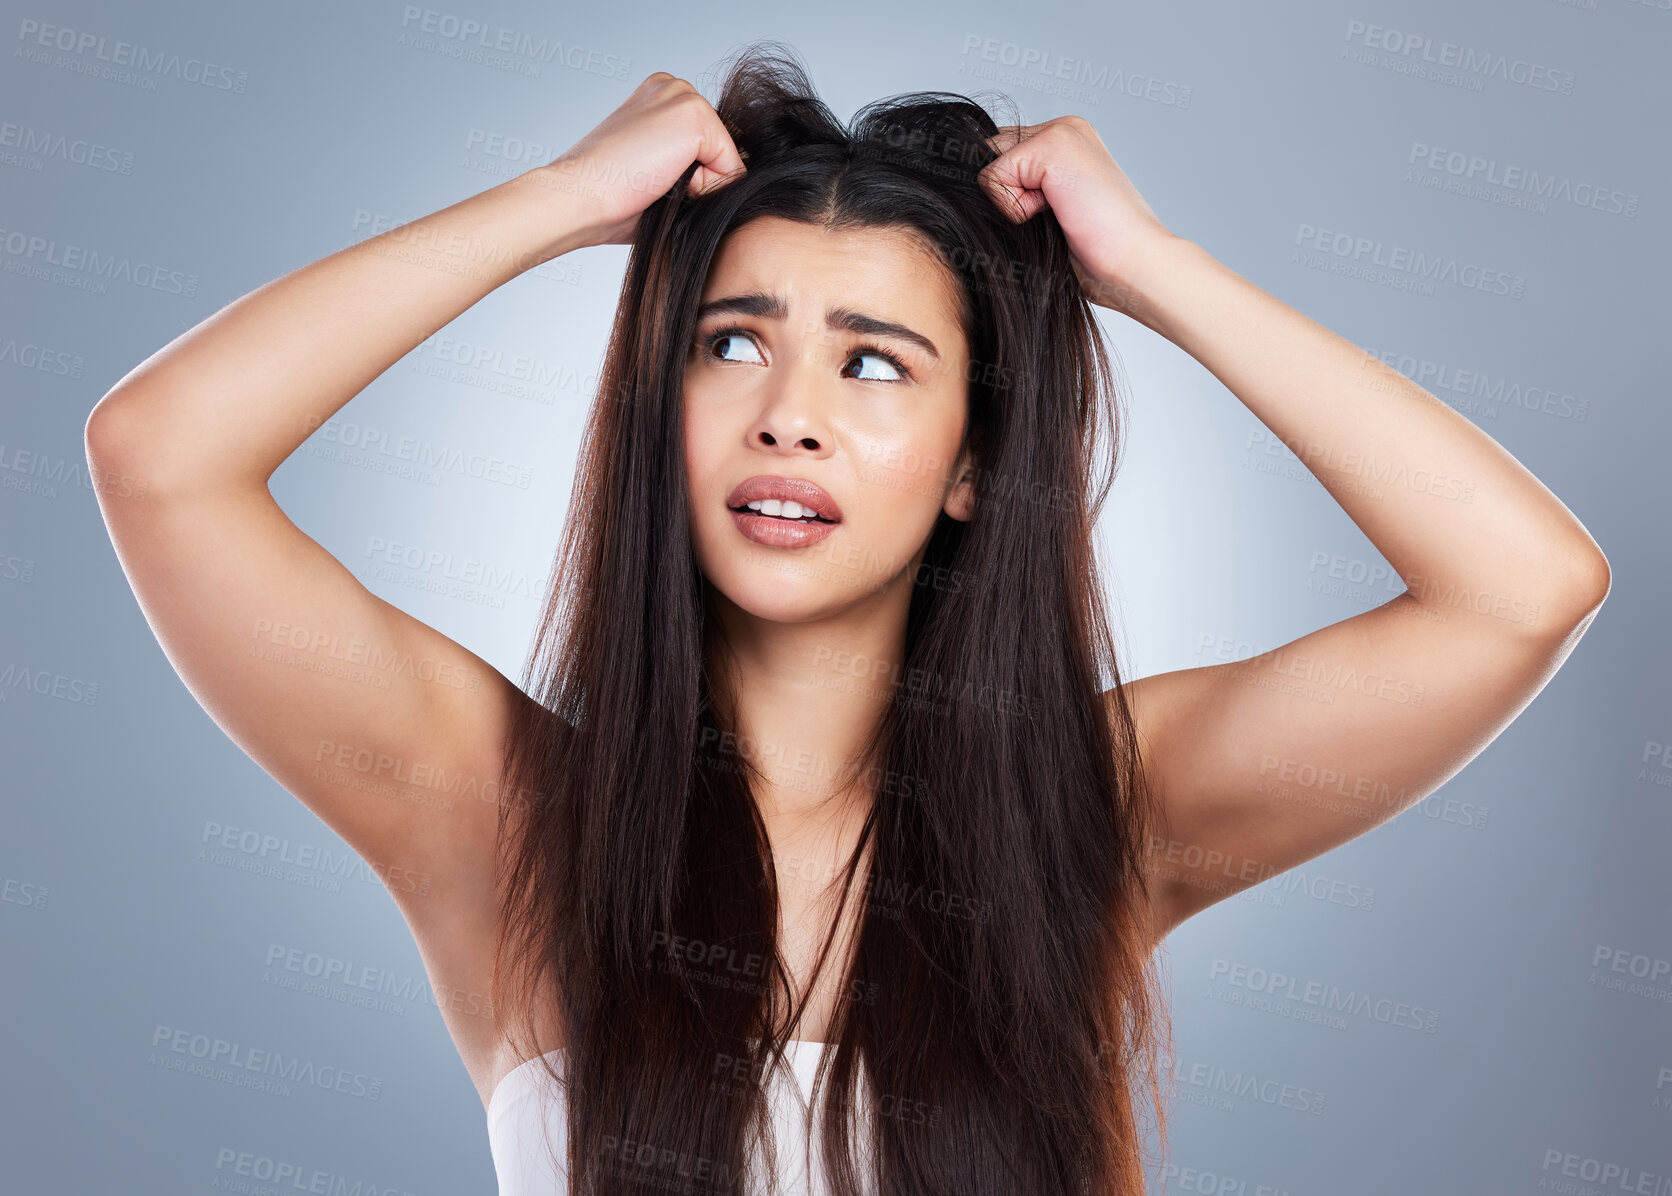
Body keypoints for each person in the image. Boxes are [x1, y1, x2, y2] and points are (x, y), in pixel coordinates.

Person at [85, 38, 1609, 1196]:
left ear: (973, 466)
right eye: (732, 345)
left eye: (875, 364)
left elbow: (1524, 586)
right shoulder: (500, 807)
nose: (789, 418)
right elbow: (162, 456)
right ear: (654, 404)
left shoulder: (1097, 808)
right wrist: (557, 205)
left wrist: (1152, 271)